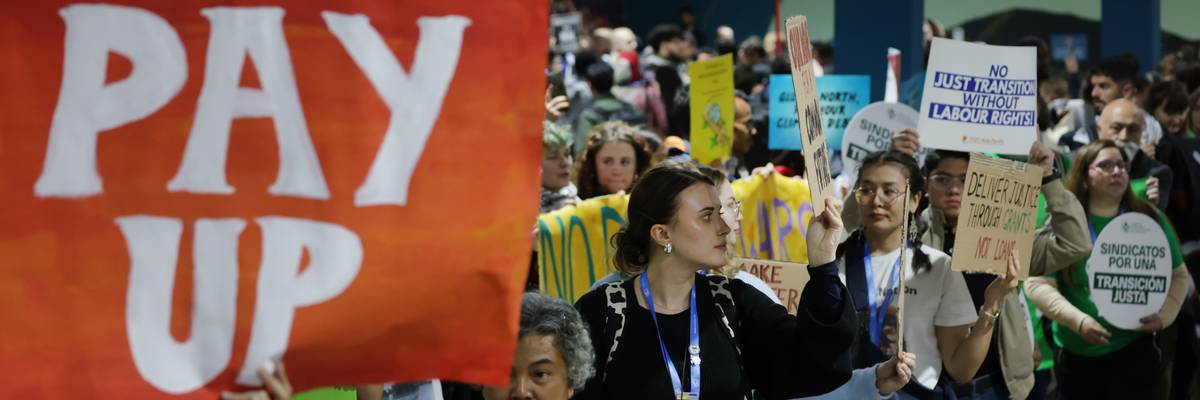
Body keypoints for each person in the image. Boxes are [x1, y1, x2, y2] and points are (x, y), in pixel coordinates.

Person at [574, 164, 856, 399]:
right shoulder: (602, 313)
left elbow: (816, 365)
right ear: (662, 234)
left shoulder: (734, 303)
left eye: (721, 212)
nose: (724, 227)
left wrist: (823, 265)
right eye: (707, 217)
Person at [879, 130, 1093, 399]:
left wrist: (1048, 179)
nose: (955, 189)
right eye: (942, 179)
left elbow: (1075, 244)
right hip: (926, 383)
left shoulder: (1005, 238)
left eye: (967, 180)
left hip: (998, 383)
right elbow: (855, 229)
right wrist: (893, 164)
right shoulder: (910, 235)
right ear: (925, 185)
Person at [837, 150, 1020, 399]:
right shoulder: (834, 266)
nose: (876, 200)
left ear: (914, 200)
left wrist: (993, 302)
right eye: (867, 190)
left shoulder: (938, 267)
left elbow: (961, 368)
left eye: (889, 191)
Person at [1025, 140, 1192, 400]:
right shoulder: (1064, 222)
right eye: (1106, 165)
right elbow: (1037, 284)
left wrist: (1165, 314)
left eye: (1122, 166)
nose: (1117, 171)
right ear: (1083, 177)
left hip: (1135, 356)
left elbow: (1179, 275)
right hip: (1076, 360)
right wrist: (1077, 321)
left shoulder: (1149, 218)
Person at [1093, 99, 1173, 210]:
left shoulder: (1156, 173)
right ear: (1099, 130)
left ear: (1142, 132)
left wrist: (1152, 206)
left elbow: (1154, 222)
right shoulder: (1079, 162)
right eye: (1116, 128)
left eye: (1133, 129)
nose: (1124, 136)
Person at [572, 62, 644, 151]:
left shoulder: (589, 116)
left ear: (590, 85)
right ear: (613, 81)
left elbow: (581, 150)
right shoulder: (632, 109)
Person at [573, 121, 651, 200]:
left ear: (637, 166)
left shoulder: (652, 205)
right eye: (607, 162)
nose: (617, 171)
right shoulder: (574, 204)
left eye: (624, 162)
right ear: (592, 165)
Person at [541, 121, 580, 213]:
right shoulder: (520, 208)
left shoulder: (573, 197)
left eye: (567, 154)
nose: (565, 163)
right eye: (552, 157)